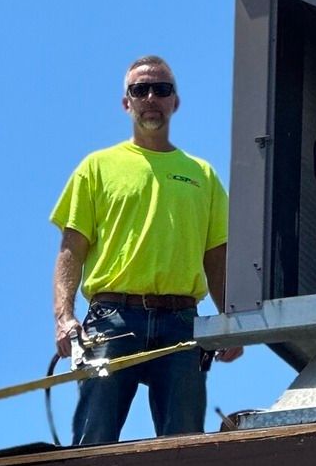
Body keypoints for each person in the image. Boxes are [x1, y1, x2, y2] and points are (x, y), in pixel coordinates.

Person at [50, 55, 243, 446]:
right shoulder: (97, 167)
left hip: (182, 324)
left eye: (162, 89)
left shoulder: (202, 175)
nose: (151, 97)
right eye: (140, 90)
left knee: (182, 448)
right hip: (112, 320)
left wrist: (229, 321)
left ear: (176, 102)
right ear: (127, 103)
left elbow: (217, 257)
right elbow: (72, 248)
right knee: (94, 442)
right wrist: (64, 317)